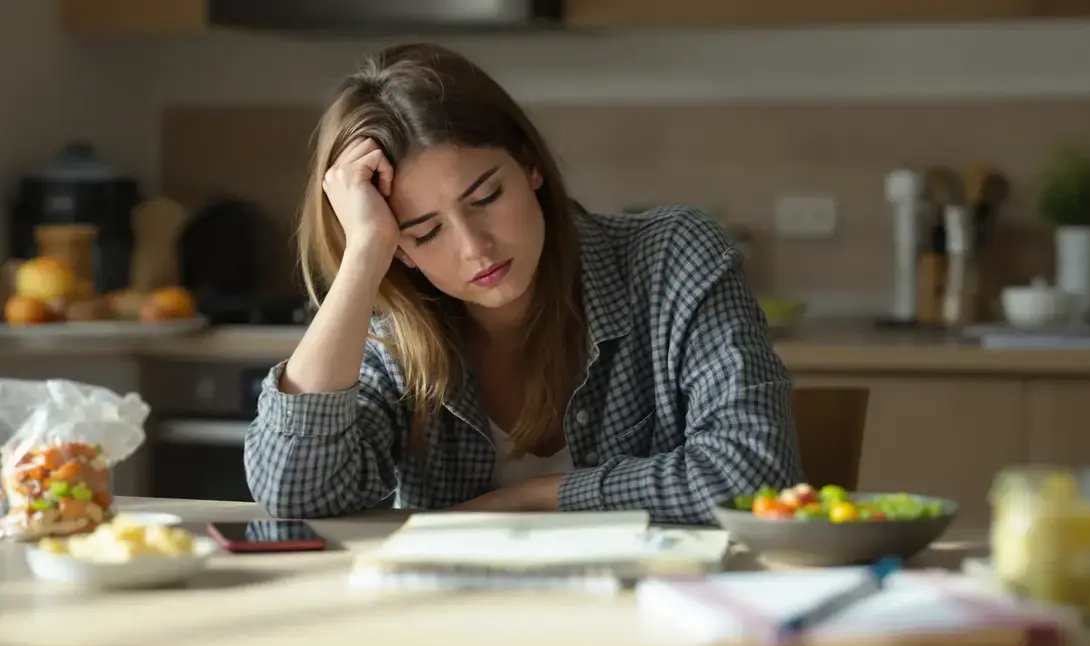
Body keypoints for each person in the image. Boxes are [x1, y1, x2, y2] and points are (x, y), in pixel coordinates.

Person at [243, 43, 801, 525]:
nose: (474, 247)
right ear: (400, 249)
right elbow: (295, 493)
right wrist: (364, 254)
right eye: (426, 231)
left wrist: (530, 498)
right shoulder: (390, 329)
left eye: (486, 197)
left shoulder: (671, 256)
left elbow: (754, 475)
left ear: (530, 165)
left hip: (657, 604)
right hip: (456, 612)